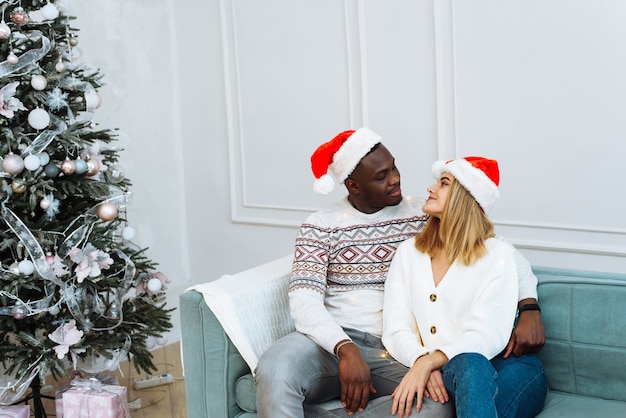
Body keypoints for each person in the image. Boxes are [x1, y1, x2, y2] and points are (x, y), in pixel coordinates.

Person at [255, 128, 544, 418]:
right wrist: (344, 346)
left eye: (393, 166)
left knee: (441, 405)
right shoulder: (320, 227)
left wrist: (529, 307)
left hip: (394, 350)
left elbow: (499, 251)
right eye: (381, 176)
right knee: (275, 368)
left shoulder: (423, 212)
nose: (395, 179)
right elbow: (304, 301)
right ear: (354, 186)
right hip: (330, 342)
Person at [382, 156, 547, 418]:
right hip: (449, 371)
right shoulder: (408, 253)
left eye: (443, 183)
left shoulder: (497, 255)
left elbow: (486, 335)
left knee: (472, 363)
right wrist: (420, 359)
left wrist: (429, 361)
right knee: (470, 371)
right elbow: (395, 327)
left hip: (509, 368)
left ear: (466, 198)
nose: (430, 188)